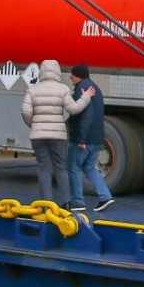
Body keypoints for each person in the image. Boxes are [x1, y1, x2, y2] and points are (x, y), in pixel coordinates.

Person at [19, 59, 91, 208]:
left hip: (38, 136)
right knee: (60, 167)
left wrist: (34, 124)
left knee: (44, 168)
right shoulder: (63, 89)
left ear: (42, 72)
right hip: (58, 136)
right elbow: (73, 109)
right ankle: (65, 203)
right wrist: (86, 97)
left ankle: (46, 204)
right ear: (57, 72)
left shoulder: (33, 89)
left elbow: (25, 111)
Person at [66, 64, 113, 213]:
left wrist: (81, 140)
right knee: (89, 167)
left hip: (84, 140)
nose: (70, 77)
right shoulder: (95, 88)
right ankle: (105, 196)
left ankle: (77, 202)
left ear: (78, 75)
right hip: (97, 138)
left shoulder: (82, 89)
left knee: (73, 168)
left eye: (72, 74)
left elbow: (85, 117)